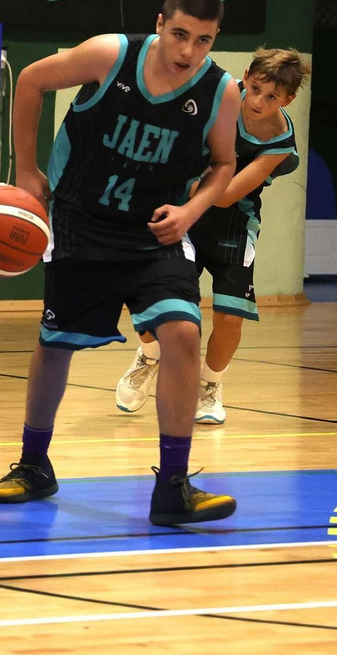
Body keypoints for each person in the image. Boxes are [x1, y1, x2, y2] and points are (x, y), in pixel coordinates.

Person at [0, 0, 243, 527]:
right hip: (81, 223)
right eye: (179, 34)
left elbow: (223, 165)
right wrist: (26, 169)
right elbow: (30, 82)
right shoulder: (110, 53)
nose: (188, 51)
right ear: (159, 23)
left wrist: (191, 212)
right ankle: (34, 464)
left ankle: (173, 485)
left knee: (183, 334)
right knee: (55, 345)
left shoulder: (221, 91)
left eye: (203, 40)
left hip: (156, 235)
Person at [117, 49, 308, 425]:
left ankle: (210, 386)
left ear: (288, 100)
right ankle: (148, 355)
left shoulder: (279, 142)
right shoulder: (214, 96)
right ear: (246, 76)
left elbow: (225, 195)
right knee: (152, 301)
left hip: (232, 221)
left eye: (271, 97)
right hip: (183, 213)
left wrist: (193, 179)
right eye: (254, 89)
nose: (257, 102)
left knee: (230, 319)